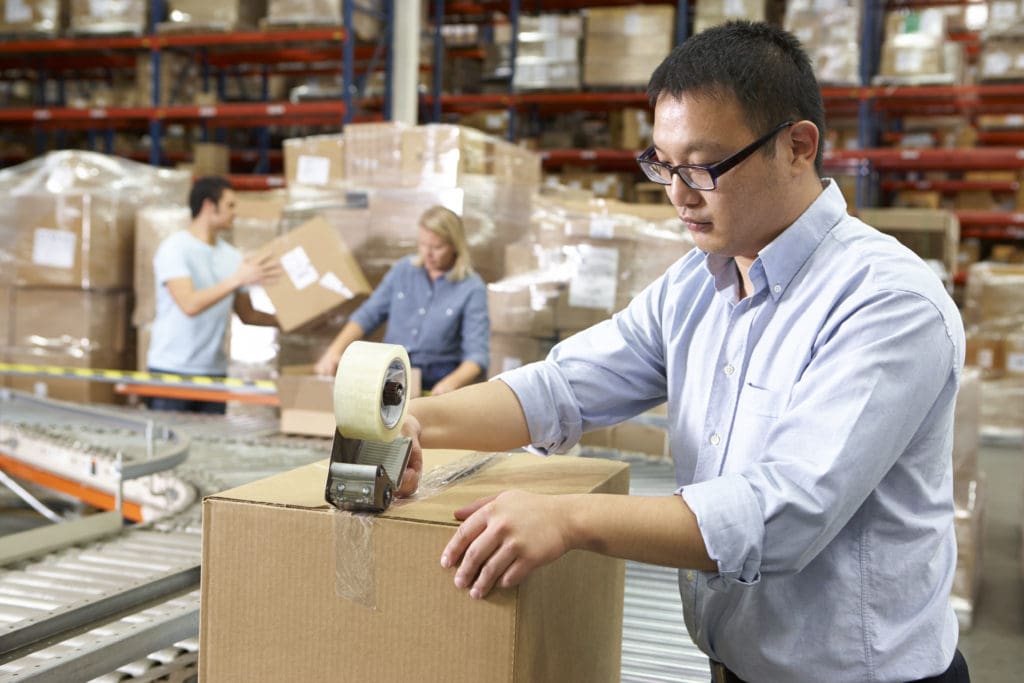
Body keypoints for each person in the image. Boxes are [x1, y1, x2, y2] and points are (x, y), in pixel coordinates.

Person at [402, 21, 969, 683]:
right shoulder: (697, 283)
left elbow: (783, 511)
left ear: (797, 146)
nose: (677, 194)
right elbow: (565, 387)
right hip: (730, 667)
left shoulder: (887, 301)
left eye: (702, 166)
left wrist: (568, 517)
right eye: (663, 165)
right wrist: (417, 421)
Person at [314, 205, 489, 395]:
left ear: (455, 246)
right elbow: (368, 315)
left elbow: (476, 355)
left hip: (434, 381)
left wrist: (450, 384)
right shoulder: (403, 271)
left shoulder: (472, 288)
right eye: (423, 244)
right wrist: (334, 350)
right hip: (389, 374)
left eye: (437, 247)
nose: (428, 253)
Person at [147, 176, 280, 413]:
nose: (234, 213)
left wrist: (290, 323)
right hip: (172, 371)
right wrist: (238, 279)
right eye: (230, 205)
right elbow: (189, 304)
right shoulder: (175, 249)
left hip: (213, 373)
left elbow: (248, 314)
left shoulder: (232, 257)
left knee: (211, 448)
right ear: (209, 206)